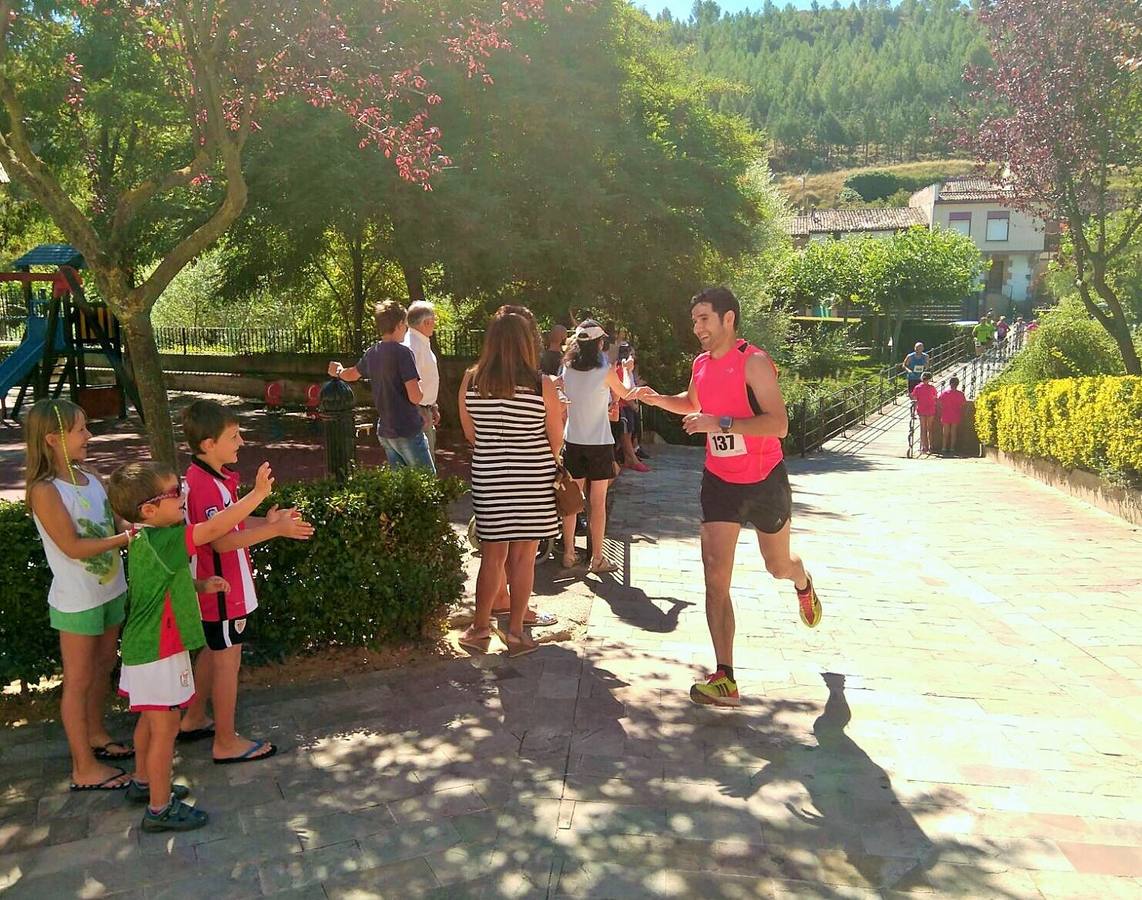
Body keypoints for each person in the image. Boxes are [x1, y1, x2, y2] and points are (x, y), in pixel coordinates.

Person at [638, 287, 822, 708]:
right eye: (694, 320)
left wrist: (718, 423)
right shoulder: (701, 365)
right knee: (714, 575)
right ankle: (725, 676)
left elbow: (778, 425)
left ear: (728, 319)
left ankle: (802, 581)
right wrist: (655, 399)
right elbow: (691, 403)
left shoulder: (753, 362)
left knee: (777, 565)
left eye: (704, 318)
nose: (698, 327)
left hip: (764, 480)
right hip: (720, 481)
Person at [107, 459, 274, 831]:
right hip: (158, 651)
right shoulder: (165, 538)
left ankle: (143, 780)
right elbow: (215, 527)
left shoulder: (143, 536)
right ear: (149, 509)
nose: (183, 495)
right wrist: (258, 494)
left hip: (145, 648)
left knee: (151, 721)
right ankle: (159, 809)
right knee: (165, 728)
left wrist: (200, 586)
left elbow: (159, 586)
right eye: (173, 493)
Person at [177, 400, 314, 762]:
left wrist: (271, 525)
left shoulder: (208, 477)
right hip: (222, 590)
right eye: (234, 436)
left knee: (214, 651)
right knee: (227, 662)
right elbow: (220, 540)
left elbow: (229, 526)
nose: (241, 442)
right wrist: (273, 527)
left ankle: (193, 719)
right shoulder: (206, 485)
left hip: (218, 588)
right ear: (208, 444)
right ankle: (225, 741)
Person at [25, 398, 135, 792]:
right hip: (78, 601)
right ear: (53, 440)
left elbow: (114, 519)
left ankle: (95, 733)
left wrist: (139, 521)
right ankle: (83, 768)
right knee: (78, 679)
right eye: (81, 430)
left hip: (110, 591)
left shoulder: (91, 477)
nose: (89, 435)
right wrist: (124, 538)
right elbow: (71, 546)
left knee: (103, 665)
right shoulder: (45, 491)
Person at [457, 308, 563, 657]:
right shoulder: (540, 384)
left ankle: (479, 627)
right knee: (524, 558)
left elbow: (471, 434)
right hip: (532, 479)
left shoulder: (471, 380)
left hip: (490, 477)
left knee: (491, 555)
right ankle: (516, 631)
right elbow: (555, 439)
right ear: (526, 344)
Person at [560, 319, 644, 573]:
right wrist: (628, 371)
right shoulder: (605, 370)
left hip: (572, 440)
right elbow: (627, 394)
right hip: (599, 443)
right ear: (599, 343)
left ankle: (568, 553)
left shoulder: (567, 370)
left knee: (571, 501)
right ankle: (597, 558)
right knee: (598, 502)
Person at [328, 300, 434, 473]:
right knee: (426, 482)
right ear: (400, 324)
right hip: (407, 427)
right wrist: (422, 390)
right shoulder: (404, 353)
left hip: (386, 430)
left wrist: (338, 371)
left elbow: (352, 374)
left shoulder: (373, 352)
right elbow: (415, 396)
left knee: (400, 484)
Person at [403, 301, 441, 458]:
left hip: (424, 409)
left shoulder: (419, 342)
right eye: (434, 320)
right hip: (417, 411)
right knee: (423, 467)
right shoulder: (413, 346)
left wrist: (432, 405)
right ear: (427, 322)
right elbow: (408, 383)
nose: (435, 324)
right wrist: (417, 410)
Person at [938, 376, 967, 456]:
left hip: (946, 414)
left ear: (950, 384)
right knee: (953, 432)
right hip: (956, 414)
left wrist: (944, 407)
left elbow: (939, 402)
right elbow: (963, 404)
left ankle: (943, 448)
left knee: (945, 432)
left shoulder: (944, 393)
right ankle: (952, 448)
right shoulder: (960, 394)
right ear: (957, 384)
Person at [911, 373, 938, 454]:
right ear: (929, 379)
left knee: (923, 429)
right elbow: (935, 397)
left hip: (921, 409)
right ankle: (931, 446)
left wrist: (913, 411)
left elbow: (915, 399)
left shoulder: (917, 387)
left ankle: (923, 447)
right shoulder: (932, 388)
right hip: (930, 409)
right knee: (930, 428)